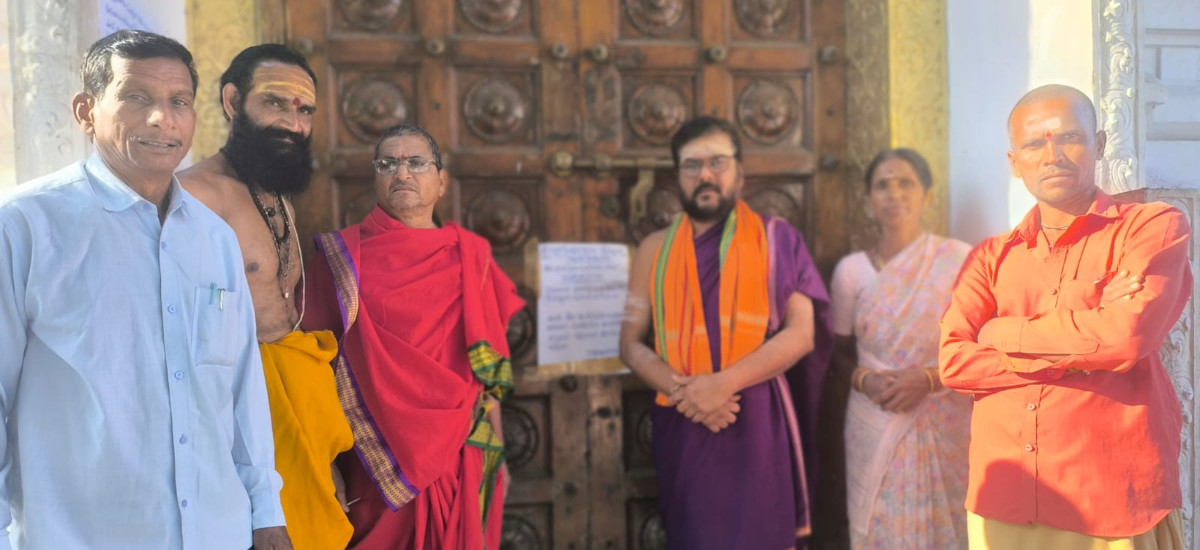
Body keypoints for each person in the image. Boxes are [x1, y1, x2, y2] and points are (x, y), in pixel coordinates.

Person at [0, 30, 290, 549]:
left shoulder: (215, 239)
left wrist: (265, 512)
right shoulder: (25, 226)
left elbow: (241, 387)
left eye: (179, 101)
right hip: (79, 536)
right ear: (86, 111)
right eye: (137, 97)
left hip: (215, 532)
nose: (163, 118)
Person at [939, 84, 1190, 548]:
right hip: (1005, 501)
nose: (1052, 156)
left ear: (1100, 143)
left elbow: (1127, 338)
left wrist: (1002, 331)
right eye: (1034, 144)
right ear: (1014, 162)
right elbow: (954, 362)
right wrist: (1084, 337)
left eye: (1069, 137)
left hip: (1111, 496)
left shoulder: (1150, 227)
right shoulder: (990, 258)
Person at [619, 116, 831, 550]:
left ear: (739, 172)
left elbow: (802, 334)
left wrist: (723, 384)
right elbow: (630, 343)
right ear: (677, 177)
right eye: (691, 165)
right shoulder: (654, 249)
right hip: (685, 417)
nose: (705, 174)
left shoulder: (778, 239)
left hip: (756, 417)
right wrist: (691, 395)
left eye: (717, 161)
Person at [302, 123, 518, 549]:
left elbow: (487, 374)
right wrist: (322, 464)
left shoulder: (471, 257)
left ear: (441, 182)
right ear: (375, 179)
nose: (401, 173)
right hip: (375, 462)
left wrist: (501, 451)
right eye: (388, 164)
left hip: (464, 450)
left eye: (416, 163)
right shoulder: (341, 260)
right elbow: (309, 367)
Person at [178, 44, 354, 550]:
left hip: (296, 413)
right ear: (233, 101)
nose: (293, 123)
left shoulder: (279, 198)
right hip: (234, 420)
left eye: (304, 110)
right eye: (275, 103)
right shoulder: (195, 196)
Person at [830, 148, 972, 549]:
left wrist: (927, 380)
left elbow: (979, 344)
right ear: (868, 201)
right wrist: (866, 381)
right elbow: (837, 354)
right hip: (874, 414)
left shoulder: (958, 259)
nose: (894, 194)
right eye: (882, 186)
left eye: (905, 183)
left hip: (945, 416)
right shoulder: (851, 271)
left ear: (928, 196)